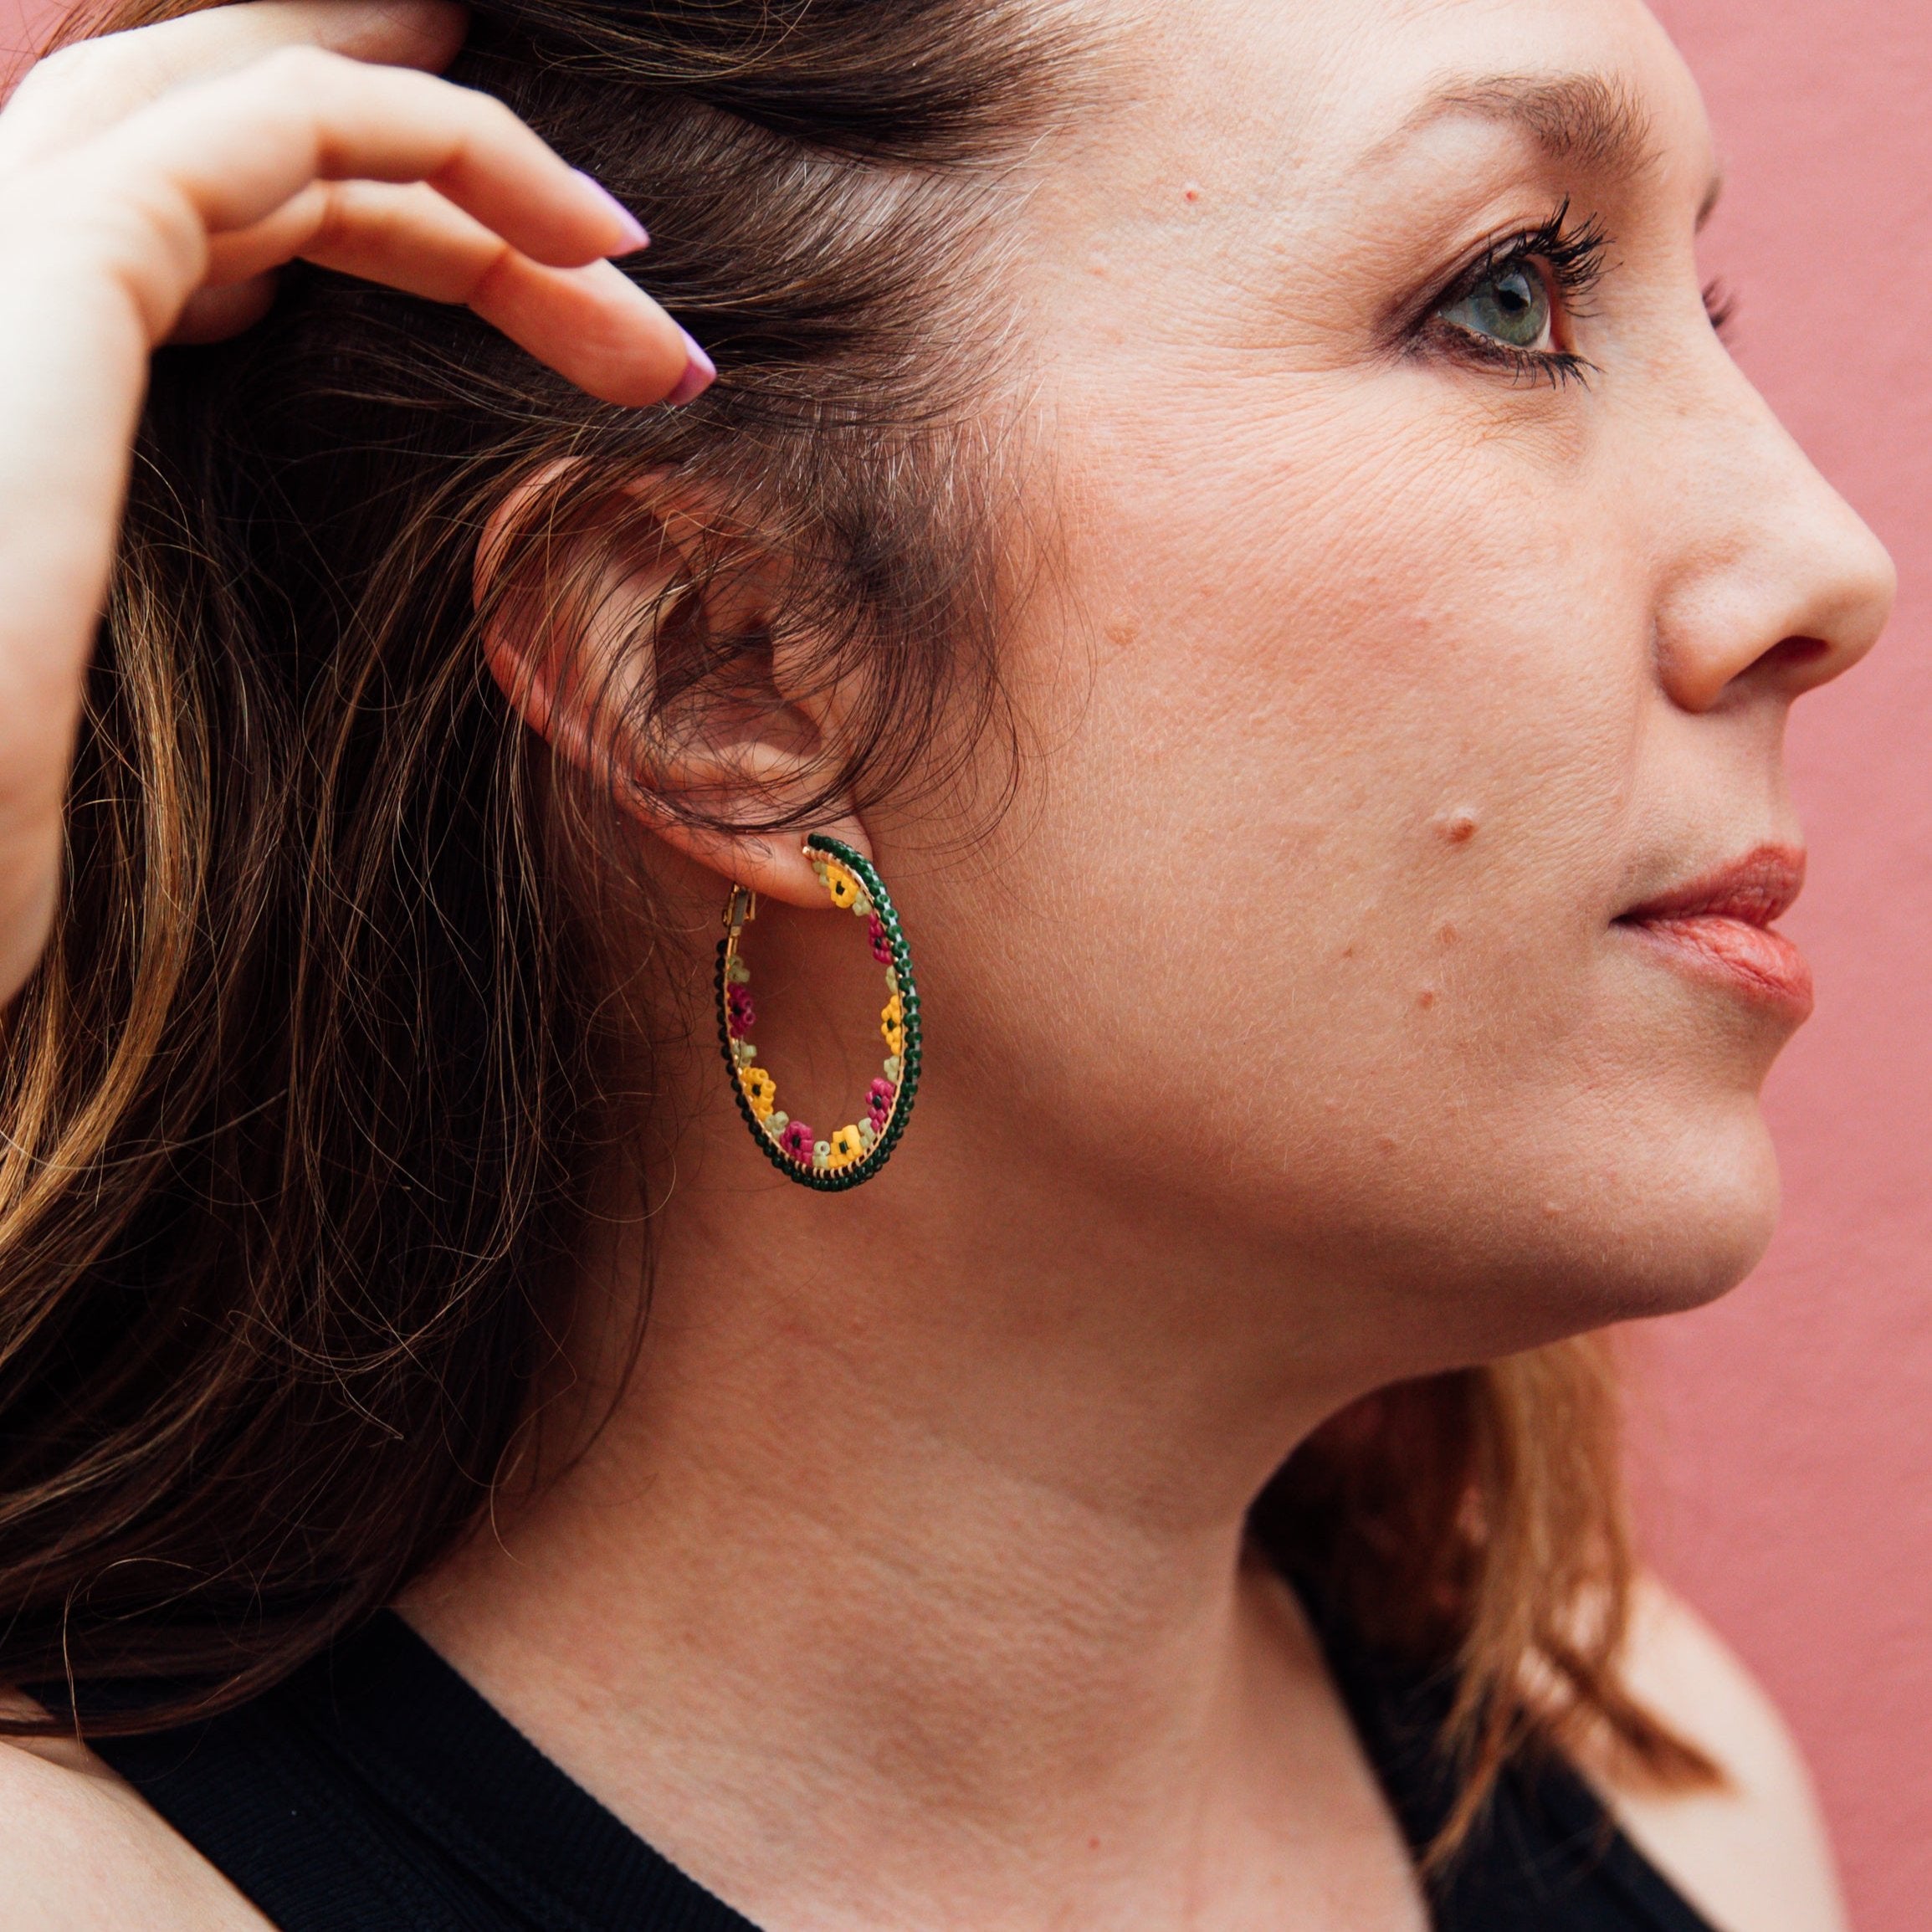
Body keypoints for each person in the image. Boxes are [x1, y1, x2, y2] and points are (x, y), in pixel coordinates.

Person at [0, 0, 1895, 1924]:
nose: (1830, 565)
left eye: (1703, 312)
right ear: (721, 670)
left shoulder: (1659, 1789)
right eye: (1510, 296)